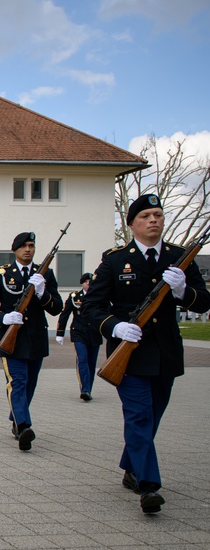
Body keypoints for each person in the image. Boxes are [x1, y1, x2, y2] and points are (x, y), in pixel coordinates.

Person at [82, 194, 210, 514]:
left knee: (152, 416)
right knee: (138, 415)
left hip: (165, 352)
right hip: (130, 353)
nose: (154, 220)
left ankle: (131, 464)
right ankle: (149, 485)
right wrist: (115, 327)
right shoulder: (114, 260)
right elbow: (92, 308)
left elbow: (203, 302)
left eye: (158, 214)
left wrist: (183, 291)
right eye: (146, 216)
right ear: (131, 224)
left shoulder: (180, 257)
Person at [0, 232, 63, 451]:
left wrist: (42, 292)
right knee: (17, 382)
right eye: (24, 246)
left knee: (30, 384)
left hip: (36, 339)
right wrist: (4, 317)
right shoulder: (2, 274)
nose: (28, 249)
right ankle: (23, 426)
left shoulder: (44, 274)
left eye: (31, 245)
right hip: (12, 341)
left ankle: (16, 415)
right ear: (15, 250)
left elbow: (57, 307)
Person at [56, 272, 102, 401]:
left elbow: (107, 314)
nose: (89, 284)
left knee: (91, 363)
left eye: (91, 282)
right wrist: (60, 333)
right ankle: (84, 389)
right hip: (79, 333)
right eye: (87, 282)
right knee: (82, 360)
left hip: (94, 334)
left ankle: (88, 389)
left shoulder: (99, 297)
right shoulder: (74, 296)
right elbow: (64, 315)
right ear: (82, 283)